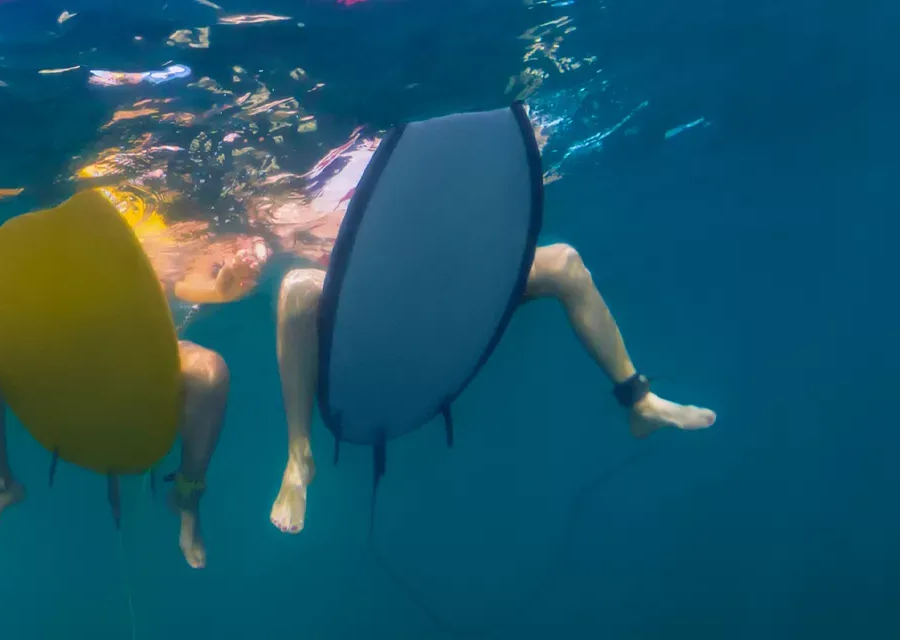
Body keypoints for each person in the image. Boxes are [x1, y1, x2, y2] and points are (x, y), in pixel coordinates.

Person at [158, 129, 719, 535]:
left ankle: (637, 399)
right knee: (297, 290)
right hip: (371, 300)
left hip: (445, 282)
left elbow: (496, 203)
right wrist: (247, 261)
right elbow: (278, 247)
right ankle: (298, 455)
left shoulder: (424, 162)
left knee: (565, 263)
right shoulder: (299, 196)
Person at [0, 184, 233, 570]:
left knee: (209, 373)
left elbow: (182, 283)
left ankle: (188, 493)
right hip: (47, 349)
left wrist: (219, 287)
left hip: (137, 355)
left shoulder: (136, 212)